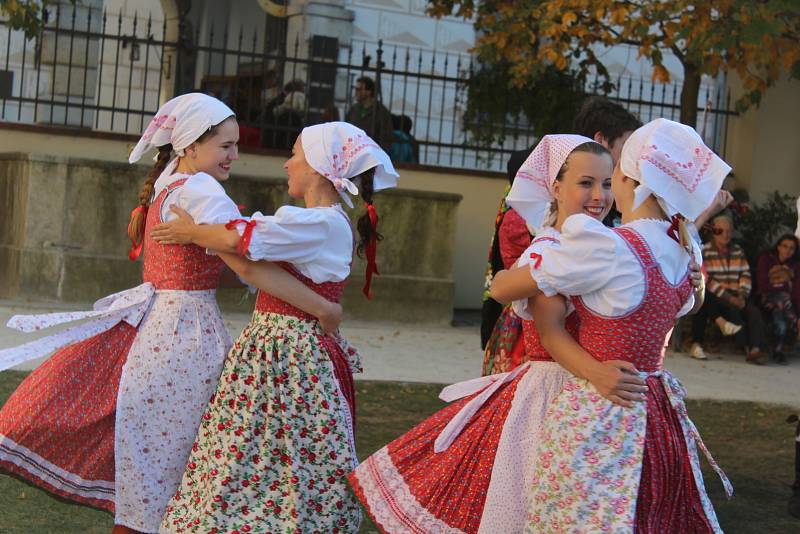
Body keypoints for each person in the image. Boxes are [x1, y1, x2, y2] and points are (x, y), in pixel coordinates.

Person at [0, 94, 343, 534]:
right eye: (225, 146)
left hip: (156, 326)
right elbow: (243, 263)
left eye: (235, 145)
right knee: (179, 466)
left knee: (150, 461)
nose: (235, 155)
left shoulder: (168, 183)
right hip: (187, 337)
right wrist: (321, 306)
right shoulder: (200, 190)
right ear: (190, 146)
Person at [349, 135, 651, 533]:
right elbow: (548, 331)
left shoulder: (605, 245)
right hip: (554, 389)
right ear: (556, 188)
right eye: (586, 183)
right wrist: (596, 373)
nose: (600, 195)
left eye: (608, 183)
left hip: (588, 397)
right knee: (530, 501)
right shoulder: (549, 247)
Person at [491, 118, 732, 532]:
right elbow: (686, 304)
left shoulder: (609, 247)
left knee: (583, 517)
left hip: (601, 408)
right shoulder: (680, 249)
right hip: (655, 405)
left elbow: (516, 295)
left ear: (626, 177)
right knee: (646, 512)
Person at [156, 122, 398, 533]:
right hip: (273, 350)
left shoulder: (321, 224)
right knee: (253, 458)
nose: (287, 164)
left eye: (295, 155)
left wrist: (192, 232)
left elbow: (242, 239)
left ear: (319, 169)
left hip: (289, 356)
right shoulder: (315, 223)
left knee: (282, 463)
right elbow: (250, 262)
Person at [689, 213, 767, 363]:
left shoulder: (738, 250)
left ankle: (755, 350)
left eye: (729, 231)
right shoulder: (705, 251)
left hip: (737, 295)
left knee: (754, 312)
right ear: (714, 232)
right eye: (721, 231)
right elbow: (707, 279)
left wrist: (742, 296)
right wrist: (728, 297)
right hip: (718, 296)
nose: (725, 234)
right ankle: (698, 343)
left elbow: (745, 273)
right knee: (706, 299)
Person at [756, 234, 799, 364]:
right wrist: (785, 285)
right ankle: (796, 324)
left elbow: (796, 291)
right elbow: (763, 286)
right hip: (765, 298)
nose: (787, 250)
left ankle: (778, 352)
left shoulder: (796, 266)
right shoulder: (766, 259)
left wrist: (780, 286)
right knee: (784, 297)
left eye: (792, 248)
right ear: (778, 246)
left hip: (783, 304)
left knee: (780, 316)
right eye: (785, 246)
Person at [346, 76, 394, 150]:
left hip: (372, 153)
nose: (356, 91)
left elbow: (386, 138)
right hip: (352, 152)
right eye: (355, 88)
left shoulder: (382, 112)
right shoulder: (353, 109)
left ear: (369, 92)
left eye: (359, 89)